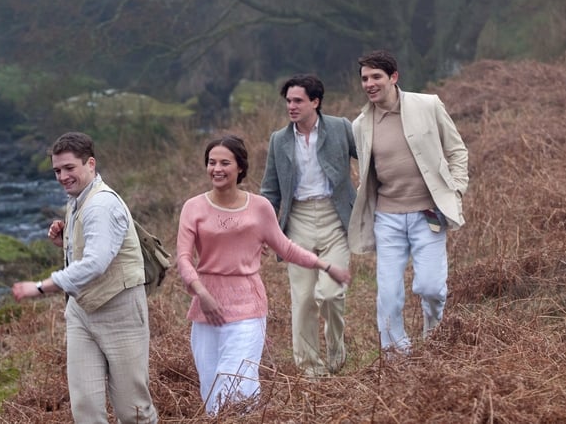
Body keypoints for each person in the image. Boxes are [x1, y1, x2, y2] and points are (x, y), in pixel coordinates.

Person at [176, 135, 351, 415]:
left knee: (236, 384)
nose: (216, 169)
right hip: (205, 308)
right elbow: (183, 259)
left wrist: (325, 266)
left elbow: (286, 247)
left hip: (247, 305)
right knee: (210, 390)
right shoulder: (193, 207)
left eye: (224, 163)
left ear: (240, 168)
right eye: (211, 163)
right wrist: (202, 292)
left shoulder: (259, 207)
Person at [12, 132, 158, 423]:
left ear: (90, 163)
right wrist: (67, 239)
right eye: (57, 170)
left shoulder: (102, 204)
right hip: (81, 313)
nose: (63, 176)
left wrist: (42, 287)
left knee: (133, 412)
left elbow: (96, 263)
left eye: (69, 168)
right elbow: (91, 247)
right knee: (86, 411)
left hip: (121, 311)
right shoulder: (77, 199)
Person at [348, 50, 469, 355]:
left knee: (430, 288)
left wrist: (456, 192)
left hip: (428, 214)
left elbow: (457, 151)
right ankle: (396, 358)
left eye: (376, 76)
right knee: (388, 295)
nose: (369, 84)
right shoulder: (360, 125)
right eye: (364, 78)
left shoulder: (428, 105)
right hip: (387, 218)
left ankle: (434, 334)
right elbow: (366, 173)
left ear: (393, 77)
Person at [260, 74, 358, 377]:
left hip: (335, 218)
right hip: (298, 221)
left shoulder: (341, 128)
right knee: (302, 299)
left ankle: (335, 346)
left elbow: (369, 159)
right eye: (288, 101)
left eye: (298, 100)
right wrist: (263, 228)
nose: (291, 106)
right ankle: (311, 370)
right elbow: (270, 189)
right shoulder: (279, 140)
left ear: (315, 102)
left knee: (329, 294)